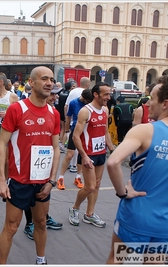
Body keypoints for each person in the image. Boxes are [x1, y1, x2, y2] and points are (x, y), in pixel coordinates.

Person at [106, 75, 168, 264]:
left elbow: (113, 162)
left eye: (152, 99)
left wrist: (123, 192)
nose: (148, 104)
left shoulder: (143, 131)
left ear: (165, 103)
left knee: (116, 261)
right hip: (167, 224)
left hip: (134, 217)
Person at [0, 66, 61, 265]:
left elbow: (56, 148)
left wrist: (52, 180)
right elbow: (2, 143)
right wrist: (1, 180)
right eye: (44, 79)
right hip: (19, 181)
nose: (49, 83)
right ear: (31, 83)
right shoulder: (17, 109)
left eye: (51, 79)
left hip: (43, 182)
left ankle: (40, 260)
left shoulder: (54, 113)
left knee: (41, 223)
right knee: (11, 227)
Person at [69, 82, 114, 228]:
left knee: (97, 185)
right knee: (90, 186)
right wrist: (84, 156)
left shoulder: (105, 110)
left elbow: (105, 131)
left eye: (109, 94)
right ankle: (74, 208)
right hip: (88, 153)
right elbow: (76, 136)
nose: (109, 97)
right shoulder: (85, 111)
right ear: (96, 94)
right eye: (106, 94)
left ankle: (89, 214)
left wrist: (112, 149)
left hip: (100, 152)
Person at [22, 84, 64, 241]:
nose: (54, 97)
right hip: (26, 162)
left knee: (44, 192)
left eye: (56, 95)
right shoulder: (23, 107)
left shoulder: (54, 112)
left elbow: (55, 143)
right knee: (30, 196)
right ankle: (29, 224)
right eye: (52, 94)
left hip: (44, 161)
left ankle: (44, 217)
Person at [58, 89, 93, 190]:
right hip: (75, 131)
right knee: (69, 155)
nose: (88, 103)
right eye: (87, 101)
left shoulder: (90, 104)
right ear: (83, 97)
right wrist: (67, 131)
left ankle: (78, 177)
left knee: (83, 156)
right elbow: (68, 117)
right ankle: (61, 178)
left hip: (86, 132)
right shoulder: (73, 103)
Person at [64, 77, 91, 172]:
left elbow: (66, 107)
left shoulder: (73, 92)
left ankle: (72, 166)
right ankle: (73, 166)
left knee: (73, 150)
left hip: (73, 124)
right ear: (87, 84)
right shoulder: (88, 95)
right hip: (82, 127)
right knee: (79, 148)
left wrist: (66, 128)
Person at [56, 81, 73, 153]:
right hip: (65, 113)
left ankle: (60, 143)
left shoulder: (61, 92)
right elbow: (67, 106)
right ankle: (62, 144)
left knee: (62, 129)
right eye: (73, 87)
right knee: (66, 130)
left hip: (60, 112)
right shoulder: (69, 94)